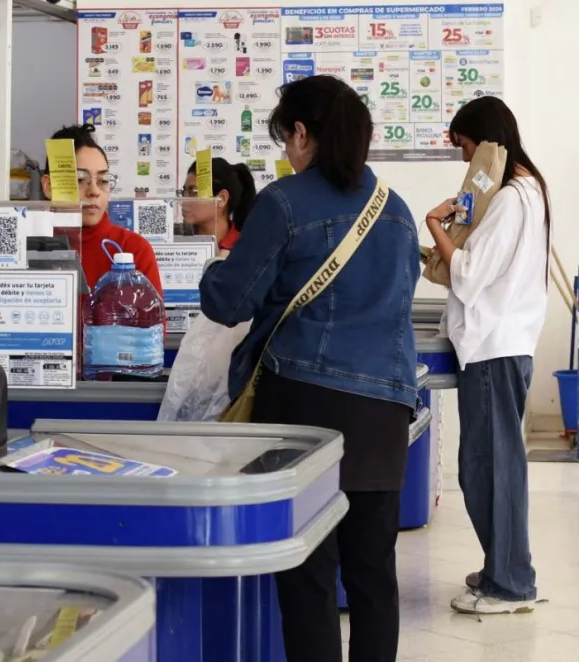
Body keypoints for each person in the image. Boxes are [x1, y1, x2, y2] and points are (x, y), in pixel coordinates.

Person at [198, 75, 421, 662]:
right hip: (384, 417)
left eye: (285, 139)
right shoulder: (396, 213)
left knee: (309, 579)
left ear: (302, 133)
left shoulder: (284, 202)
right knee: (374, 578)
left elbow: (229, 302)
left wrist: (213, 259)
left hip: (304, 407)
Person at [423, 96, 549, 615]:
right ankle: (503, 566)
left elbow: (470, 276)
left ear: (487, 143)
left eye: (466, 148)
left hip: (496, 350)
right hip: (497, 348)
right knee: (485, 466)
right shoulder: (522, 193)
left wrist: (436, 226)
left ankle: (510, 583)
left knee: (491, 469)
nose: (466, 161)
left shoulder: (512, 199)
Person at [41, 124, 162, 295]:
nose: (94, 191)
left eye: (103, 180)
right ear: (48, 186)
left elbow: (153, 320)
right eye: (80, 179)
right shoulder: (27, 246)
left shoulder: (133, 249)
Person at [179, 158, 257, 256]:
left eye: (192, 192)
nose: (184, 201)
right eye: (183, 192)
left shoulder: (245, 247)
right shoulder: (175, 241)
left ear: (222, 199)